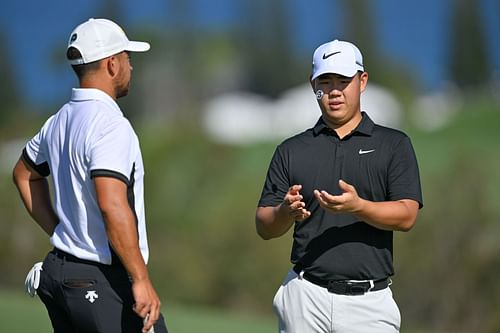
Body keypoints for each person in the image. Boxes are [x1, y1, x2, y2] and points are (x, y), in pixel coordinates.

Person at [255, 39, 423, 333]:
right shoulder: (291, 149)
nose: (334, 91)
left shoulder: (394, 145)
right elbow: (264, 226)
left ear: (362, 81)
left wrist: (358, 207)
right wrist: (285, 212)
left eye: (344, 81)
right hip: (304, 297)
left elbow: (407, 215)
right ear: (313, 85)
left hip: (369, 303)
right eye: (325, 81)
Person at [12, 18, 168, 333]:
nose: (131, 67)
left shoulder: (57, 121)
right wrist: (141, 280)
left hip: (60, 274)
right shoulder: (112, 125)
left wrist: (61, 233)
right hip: (103, 281)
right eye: (127, 58)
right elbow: (112, 204)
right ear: (112, 64)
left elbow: (23, 175)